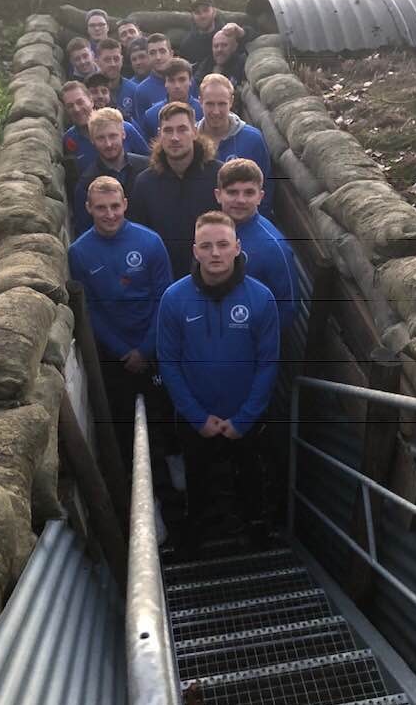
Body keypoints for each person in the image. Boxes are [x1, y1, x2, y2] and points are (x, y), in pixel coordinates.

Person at [157, 211, 279, 551]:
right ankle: (197, 534)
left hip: (246, 417)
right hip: (197, 419)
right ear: (194, 250)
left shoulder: (261, 298)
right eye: (206, 246)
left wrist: (245, 417)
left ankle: (257, 532)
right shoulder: (174, 299)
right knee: (198, 479)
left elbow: (268, 363)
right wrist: (197, 417)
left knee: (251, 476)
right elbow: (168, 363)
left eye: (223, 245)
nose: (215, 253)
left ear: (237, 248)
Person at [69, 177, 172, 465]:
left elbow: (164, 299)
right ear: (88, 208)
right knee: (125, 423)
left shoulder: (150, 242)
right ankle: (130, 484)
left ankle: (172, 487)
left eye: (115, 206)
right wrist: (123, 351)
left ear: (125, 204)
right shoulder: (79, 252)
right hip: (115, 357)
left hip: (154, 350)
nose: (110, 214)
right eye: (101, 208)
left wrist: (146, 348)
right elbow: (89, 310)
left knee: (163, 420)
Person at [131, 102, 222, 278]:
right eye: (168, 130)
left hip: (213, 277)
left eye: (182, 129)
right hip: (164, 279)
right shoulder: (144, 183)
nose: (175, 137)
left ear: (194, 132)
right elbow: (140, 239)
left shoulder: (218, 176)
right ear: (159, 135)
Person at [215, 158, 298, 332]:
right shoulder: (211, 231)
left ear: (260, 197)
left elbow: (287, 309)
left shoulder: (272, 247)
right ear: (218, 195)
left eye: (249, 193)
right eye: (232, 192)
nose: (240, 200)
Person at [197, 73, 273, 213]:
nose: (216, 111)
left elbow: (266, 187)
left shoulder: (252, 139)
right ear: (200, 101)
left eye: (222, 104)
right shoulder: (191, 141)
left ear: (231, 101)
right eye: (210, 104)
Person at [73, 108, 149, 235]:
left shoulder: (146, 168)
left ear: (123, 134)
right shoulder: (87, 183)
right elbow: (84, 231)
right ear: (92, 140)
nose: (108, 144)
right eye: (101, 138)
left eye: (113, 136)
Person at [61, 81, 148, 176]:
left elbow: (149, 163)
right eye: (70, 106)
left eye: (80, 102)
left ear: (91, 101)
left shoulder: (124, 127)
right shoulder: (69, 139)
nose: (76, 109)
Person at [179, 0, 253, 68]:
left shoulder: (229, 32)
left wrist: (242, 33)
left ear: (214, 12)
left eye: (206, 10)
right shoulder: (187, 45)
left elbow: (256, 41)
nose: (203, 15)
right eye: (197, 12)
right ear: (192, 16)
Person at [142, 57, 204, 143]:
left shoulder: (203, 111)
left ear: (190, 81)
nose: (177, 86)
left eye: (182, 79)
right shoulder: (151, 115)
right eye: (171, 80)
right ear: (165, 83)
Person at [134, 34, 173, 123]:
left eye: (162, 51)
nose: (158, 57)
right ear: (148, 57)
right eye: (152, 53)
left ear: (171, 54)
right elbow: (143, 129)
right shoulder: (142, 91)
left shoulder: (186, 81)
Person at [96, 38, 138, 122]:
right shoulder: (88, 92)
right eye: (107, 60)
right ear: (97, 61)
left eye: (116, 59)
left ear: (122, 60)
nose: (112, 64)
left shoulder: (134, 90)